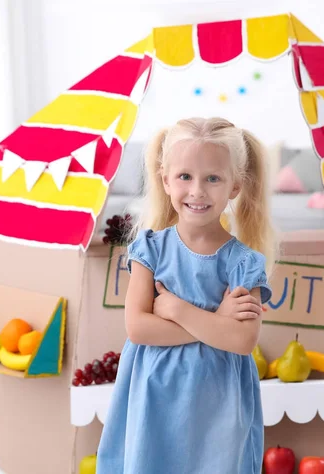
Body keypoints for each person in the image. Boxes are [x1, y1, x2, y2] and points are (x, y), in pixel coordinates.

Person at [97, 117, 277, 474]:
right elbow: (138, 328)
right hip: (155, 394)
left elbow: (242, 340)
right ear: (165, 180)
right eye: (185, 177)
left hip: (218, 399)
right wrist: (216, 323)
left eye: (213, 178)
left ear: (235, 187)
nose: (197, 190)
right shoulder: (148, 249)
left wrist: (176, 308)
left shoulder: (243, 262)